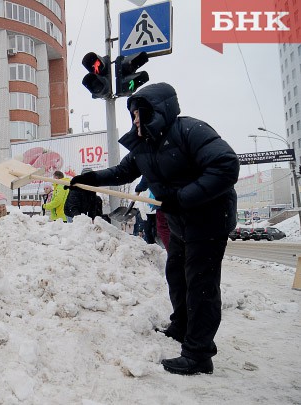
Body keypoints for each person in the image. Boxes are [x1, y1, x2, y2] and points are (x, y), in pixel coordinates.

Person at [69, 83, 240, 375]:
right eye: (133, 114)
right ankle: (182, 325)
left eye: (140, 113)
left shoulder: (189, 131)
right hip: (180, 221)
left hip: (209, 217)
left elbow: (226, 165)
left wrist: (182, 197)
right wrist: (92, 177)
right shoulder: (143, 145)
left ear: (158, 111)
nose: (135, 120)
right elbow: (122, 172)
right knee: (176, 273)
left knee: (201, 283)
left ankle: (199, 353)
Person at [136, 176, 170, 249]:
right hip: (147, 213)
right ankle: (151, 244)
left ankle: (158, 245)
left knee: (158, 230)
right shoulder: (145, 191)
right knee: (148, 230)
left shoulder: (156, 188)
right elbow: (140, 202)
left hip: (156, 212)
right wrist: (143, 213)